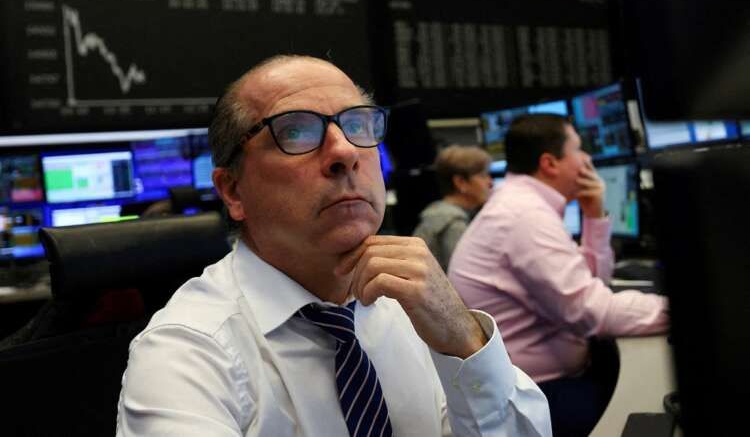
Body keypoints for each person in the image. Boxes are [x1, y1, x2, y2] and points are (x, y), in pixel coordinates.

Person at [116, 55, 552, 436]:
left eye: (357, 125)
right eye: (295, 131)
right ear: (233, 191)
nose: (345, 151)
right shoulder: (185, 353)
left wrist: (464, 341)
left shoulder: (411, 305)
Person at [449, 113, 669, 437]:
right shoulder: (524, 216)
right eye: (578, 149)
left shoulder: (519, 205)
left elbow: (590, 287)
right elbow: (591, 312)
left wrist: (593, 215)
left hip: (534, 384)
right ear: (550, 163)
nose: (587, 159)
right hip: (538, 395)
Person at [413, 145, 492, 271]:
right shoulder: (454, 225)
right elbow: (464, 276)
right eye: (483, 175)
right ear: (460, 182)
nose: (490, 182)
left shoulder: (438, 213)